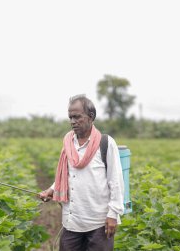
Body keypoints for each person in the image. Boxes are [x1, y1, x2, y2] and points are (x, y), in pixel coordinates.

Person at [39, 94, 124, 251]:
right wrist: (52, 190)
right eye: (70, 117)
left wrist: (113, 214)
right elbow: (66, 174)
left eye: (77, 117)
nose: (73, 122)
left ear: (91, 116)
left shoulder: (105, 143)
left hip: (98, 222)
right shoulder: (68, 142)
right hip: (72, 221)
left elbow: (116, 180)